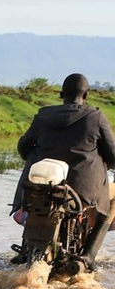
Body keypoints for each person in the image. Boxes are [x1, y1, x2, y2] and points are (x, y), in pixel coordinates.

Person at [13, 73, 115, 268]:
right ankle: (88, 257)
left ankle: (26, 249)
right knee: (108, 207)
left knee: (35, 203)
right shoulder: (96, 116)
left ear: (61, 94)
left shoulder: (43, 115)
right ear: (85, 95)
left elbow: (24, 147)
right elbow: (113, 155)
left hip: (40, 185)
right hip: (83, 188)